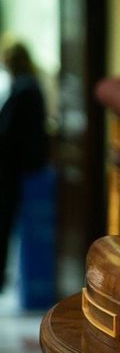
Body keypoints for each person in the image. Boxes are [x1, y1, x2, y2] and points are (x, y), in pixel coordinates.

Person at [0, 41, 50, 291]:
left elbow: (7, 133)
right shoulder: (32, 85)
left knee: (6, 222)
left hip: (14, 170)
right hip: (24, 167)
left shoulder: (23, 89)